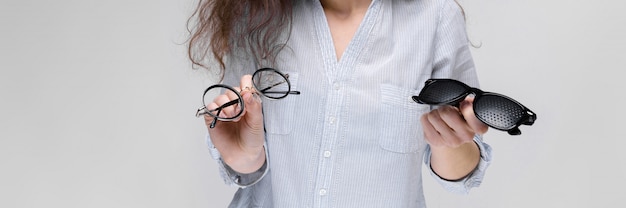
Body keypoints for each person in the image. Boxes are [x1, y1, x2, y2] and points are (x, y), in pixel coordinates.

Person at [187, 0, 493, 207]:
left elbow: (464, 172)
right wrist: (244, 155)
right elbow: (245, 162)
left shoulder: (435, 16)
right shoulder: (258, 12)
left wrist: (449, 140)